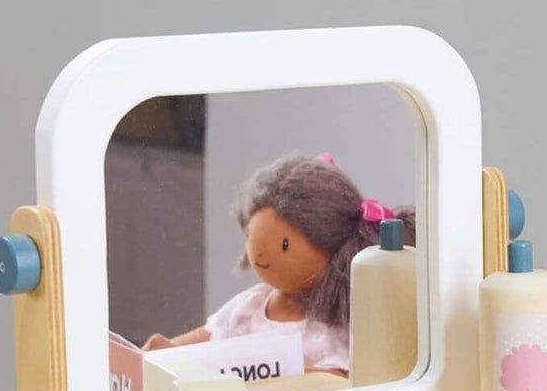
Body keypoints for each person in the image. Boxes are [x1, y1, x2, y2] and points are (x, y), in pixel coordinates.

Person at [144, 151, 415, 376]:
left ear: (329, 243)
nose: (259, 256)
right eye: (250, 236)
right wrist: (168, 352)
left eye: (284, 245)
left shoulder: (332, 327)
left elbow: (340, 382)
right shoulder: (251, 304)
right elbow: (210, 335)